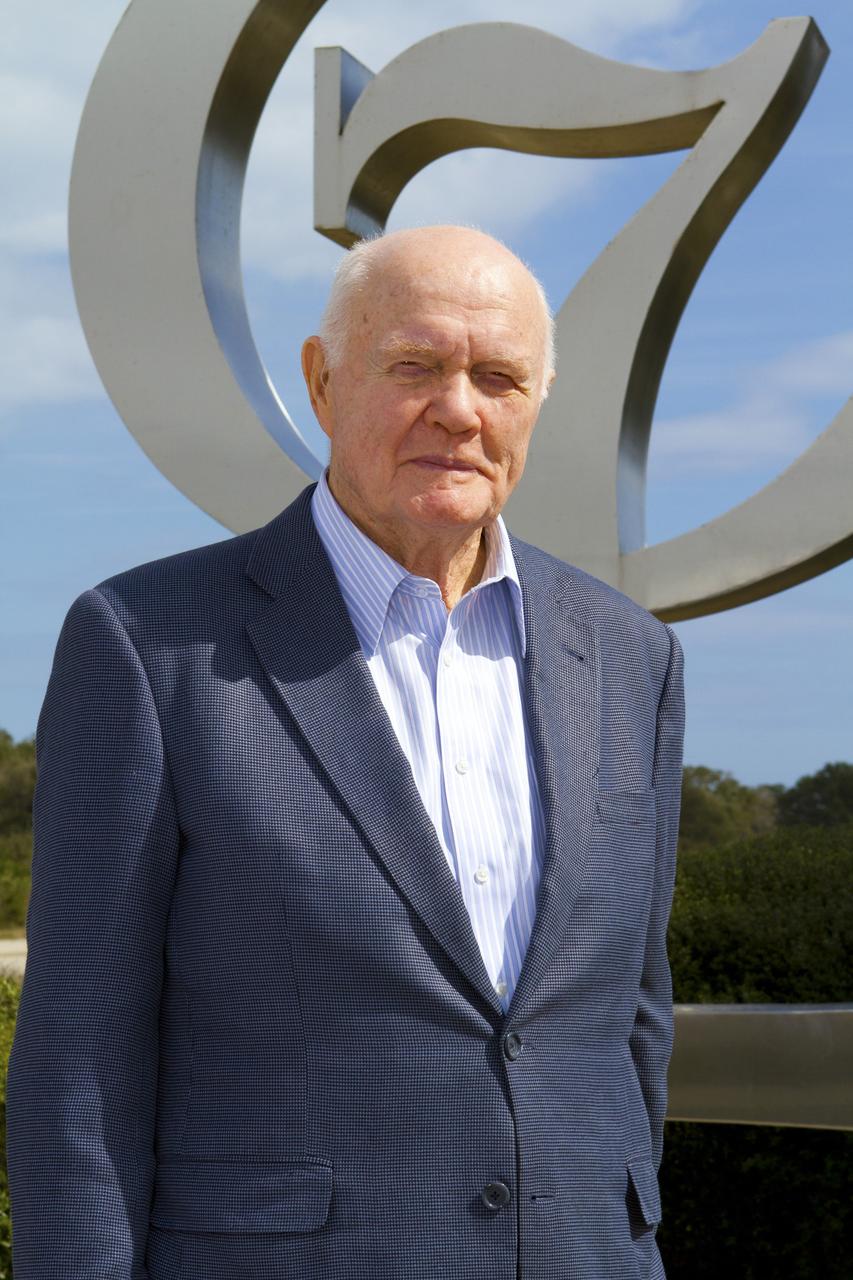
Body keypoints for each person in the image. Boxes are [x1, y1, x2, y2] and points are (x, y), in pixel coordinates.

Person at [6, 224, 684, 1280]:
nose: (458, 409)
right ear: (323, 383)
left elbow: (630, 1022)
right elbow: (76, 1069)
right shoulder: (150, 645)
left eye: (498, 377)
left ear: (537, 402)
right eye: (414, 364)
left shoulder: (630, 656)